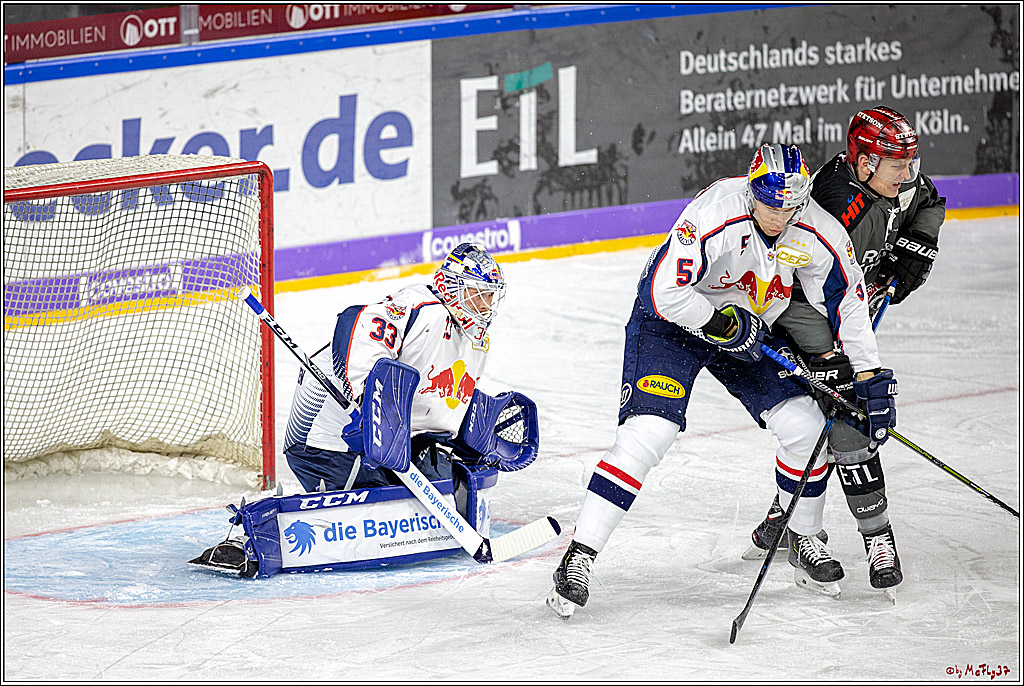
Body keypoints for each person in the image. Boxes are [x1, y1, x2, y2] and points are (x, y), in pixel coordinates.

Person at [547, 143, 899, 618]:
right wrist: (718, 323)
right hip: (671, 325)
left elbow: (848, 304)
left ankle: (804, 537)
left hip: (748, 330)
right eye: (770, 202)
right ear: (752, 189)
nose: (779, 215)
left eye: (790, 204)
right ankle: (579, 558)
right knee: (650, 432)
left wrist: (869, 372)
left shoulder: (817, 230)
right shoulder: (714, 213)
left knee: (805, 427)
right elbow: (666, 292)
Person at [745, 107, 945, 594]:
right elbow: (780, 284)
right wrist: (826, 347)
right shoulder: (828, 205)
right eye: (897, 165)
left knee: (837, 423)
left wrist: (908, 259)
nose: (909, 174)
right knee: (846, 419)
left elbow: (929, 204)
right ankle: (873, 536)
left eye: (909, 163)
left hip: (853, 316)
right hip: (807, 326)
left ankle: (785, 516)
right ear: (864, 163)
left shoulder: (901, 179)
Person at [281, 241, 533, 492]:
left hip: (386, 440)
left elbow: (435, 401)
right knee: (379, 501)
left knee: (443, 476)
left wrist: (461, 435)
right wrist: (363, 400)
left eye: (490, 295)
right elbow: (355, 325)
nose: (485, 305)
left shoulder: (476, 340)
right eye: (479, 293)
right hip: (326, 438)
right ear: (454, 288)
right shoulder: (419, 309)